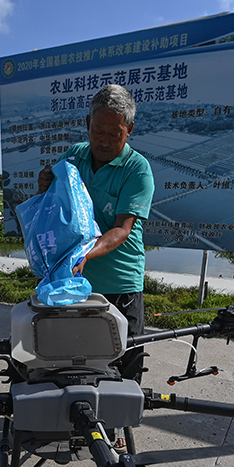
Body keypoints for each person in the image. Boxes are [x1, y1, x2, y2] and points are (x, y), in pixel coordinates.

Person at [37, 84, 154, 385]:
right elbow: (57, 207)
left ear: (129, 129)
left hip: (119, 283)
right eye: (97, 131)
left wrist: (85, 254)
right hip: (76, 282)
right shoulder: (75, 155)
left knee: (125, 363)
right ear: (87, 124)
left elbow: (122, 229)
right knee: (76, 360)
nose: (103, 141)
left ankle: (119, 429)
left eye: (113, 133)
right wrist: (44, 188)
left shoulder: (137, 169)